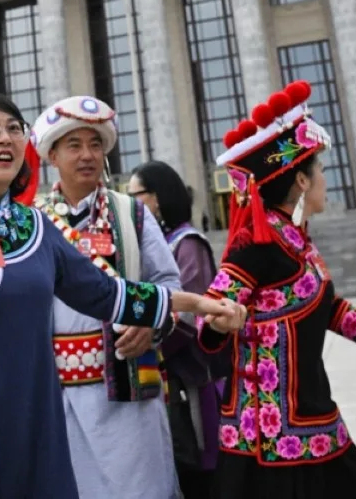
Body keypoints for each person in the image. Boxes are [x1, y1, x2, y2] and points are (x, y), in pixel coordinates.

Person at [0, 91, 248, 499]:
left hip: (39, 418)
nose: (5, 138)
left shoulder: (35, 227)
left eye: (15, 129)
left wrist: (197, 303)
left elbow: (107, 294)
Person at [199, 81, 356, 498]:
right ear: (301, 179)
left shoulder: (297, 239)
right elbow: (210, 320)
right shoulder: (255, 245)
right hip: (269, 433)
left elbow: (323, 306)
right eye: (321, 171)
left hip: (313, 414)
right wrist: (221, 321)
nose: (325, 180)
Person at [30, 96, 182, 499]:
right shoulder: (31, 220)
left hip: (130, 392)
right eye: (74, 145)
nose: (87, 155)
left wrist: (150, 323)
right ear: (53, 156)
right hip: (57, 394)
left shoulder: (132, 214)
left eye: (95, 144)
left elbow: (169, 281)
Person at [129, 160, 220, 499]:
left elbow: (190, 314)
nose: (132, 204)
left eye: (136, 195)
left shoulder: (187, 243)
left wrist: (148, 338)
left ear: (156, 197)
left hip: (188, 381)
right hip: (161, 376)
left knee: (195, 469)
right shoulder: (158, 242)